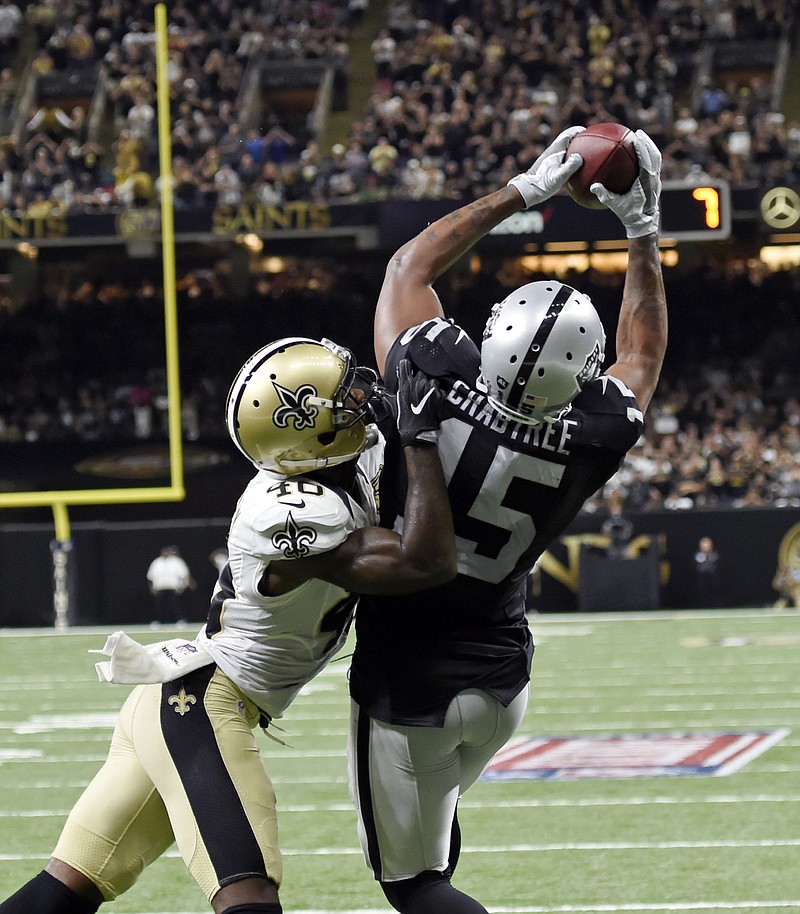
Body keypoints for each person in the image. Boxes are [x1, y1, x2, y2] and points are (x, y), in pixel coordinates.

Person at [0, 337, 456, 914]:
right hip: (203, 705)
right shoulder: (290, 513)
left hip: (181, 698)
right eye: (343, 399)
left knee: (65, 889)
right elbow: (426, 562)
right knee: (249, 896)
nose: (360, 399)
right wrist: (419, 437)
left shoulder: (329, 458)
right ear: (305, 428)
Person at [347, 126, 667, 914]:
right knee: (435, 846)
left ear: (490, 335)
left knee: (413, 885)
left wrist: (523, 191)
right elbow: (644, 352)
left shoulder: (433, 369)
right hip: (501, 681)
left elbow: (409, 266)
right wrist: (642, 229)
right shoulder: (598, 432)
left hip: (408, 682)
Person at [146, 544, 194, 624]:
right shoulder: (157, 562)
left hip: (173, 587)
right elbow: (150, 576)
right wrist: (151, 587)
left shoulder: (177, 561)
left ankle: (180, 620)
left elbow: (184, 574)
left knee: (176, 605)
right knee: (158, 606)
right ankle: (157, 621)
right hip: (160, 588)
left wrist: (183, 585)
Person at [694, 536, 722, 607]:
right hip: (701, 579)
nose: (705, 546)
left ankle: (716, 606)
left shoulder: (715, 555)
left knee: (714, 592)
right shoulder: (698, 555)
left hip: (713, 579)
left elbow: (714, 567)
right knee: (702, 592)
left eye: (707, 544)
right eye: (703, 544)